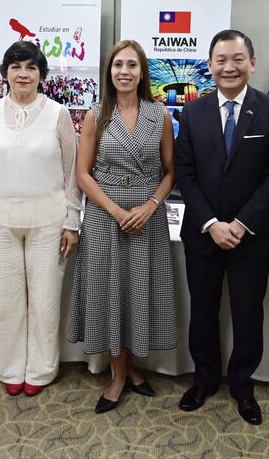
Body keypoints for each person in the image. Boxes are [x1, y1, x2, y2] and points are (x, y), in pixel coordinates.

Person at [174, 30, 269, 424]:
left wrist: (240, 223)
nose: (229, 67)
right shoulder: (192, 112)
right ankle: (204, 379)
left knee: (247, 313)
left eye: (237, 58)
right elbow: (185, 175)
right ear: (209, 66)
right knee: (203, 310)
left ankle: (242, 385)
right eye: (221, 60)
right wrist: (211, 222)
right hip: (203, 233)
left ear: (252, 63)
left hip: (251, 235)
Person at [0, 41, 81, 397]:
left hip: (48, 221)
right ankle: (10, 368)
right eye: (15, 67)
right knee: (6, 300)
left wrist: (72, 221)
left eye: (30, 67)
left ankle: (42, 370)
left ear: (41, 74)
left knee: (45, 301)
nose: (23, 74)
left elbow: (72, 170)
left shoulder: (58, 114)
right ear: (6, 75)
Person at [67, 39, 176, 414]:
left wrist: (150, 205)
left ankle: (132, 368)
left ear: (142, 71)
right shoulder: (97, 114)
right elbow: (82, 175)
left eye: (132, 65)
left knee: (138, 290)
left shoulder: (159, 114)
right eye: (118, 65)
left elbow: (170, 172)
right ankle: (117, 374)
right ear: (109, 72)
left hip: (147, 217)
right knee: (110, 291)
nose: (125, 72)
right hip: (104, 215)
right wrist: (116, 211)